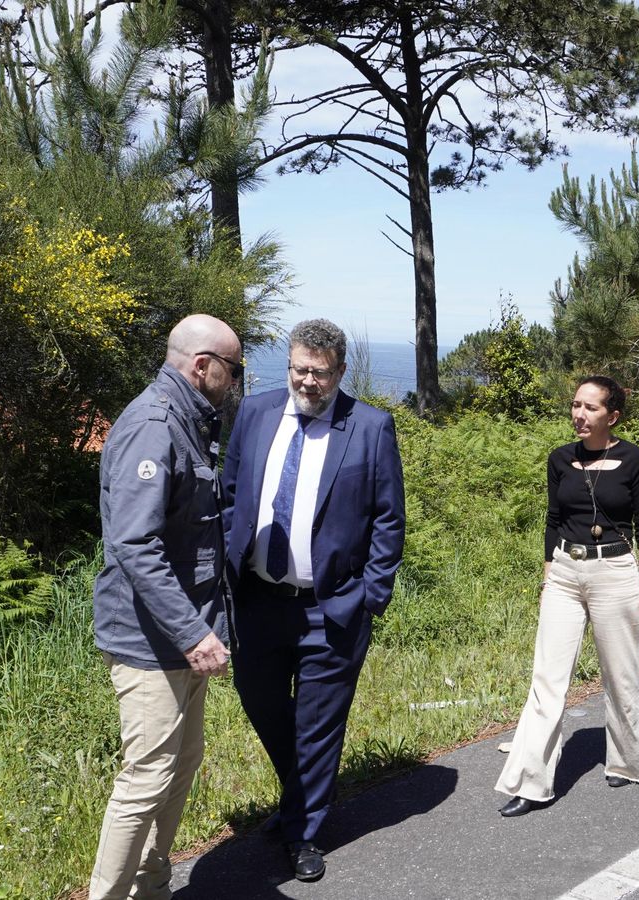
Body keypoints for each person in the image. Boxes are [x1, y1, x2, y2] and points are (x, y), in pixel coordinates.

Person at [221, 318, 406, 882]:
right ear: (289, 362)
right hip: (257, 601)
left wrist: (371, 596)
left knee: (318, 722)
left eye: (320, 374)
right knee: (262, 704)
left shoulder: (370, 428)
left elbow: (388, 520)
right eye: (300, 368)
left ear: (340, 372)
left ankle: (302, 831)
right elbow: (231, 493)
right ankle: (299, 794)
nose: (308, 382)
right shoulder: (254, 412)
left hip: (333, 606)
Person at [87, 314, 243, 900]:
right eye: (232, 369)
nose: (235, 381)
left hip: (183, 635)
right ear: (202, 366)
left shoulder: (190, 419)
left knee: (180, 767)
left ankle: (151, 888)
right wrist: (193, 634)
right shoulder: (155, 425)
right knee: (147, 778)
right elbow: (133, 543)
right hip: (153, 641)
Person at [495, 375, 639, 816]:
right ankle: (531, 783)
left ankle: (628, 762)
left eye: (590, 408)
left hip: (616, 572)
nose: (579, 414)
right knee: (547, 679)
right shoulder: (560, 459)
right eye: (575, 405)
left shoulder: (634, 461)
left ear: (613, 416)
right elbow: (552, 520)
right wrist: (549, 574)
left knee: (620, 675)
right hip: (566, 573)